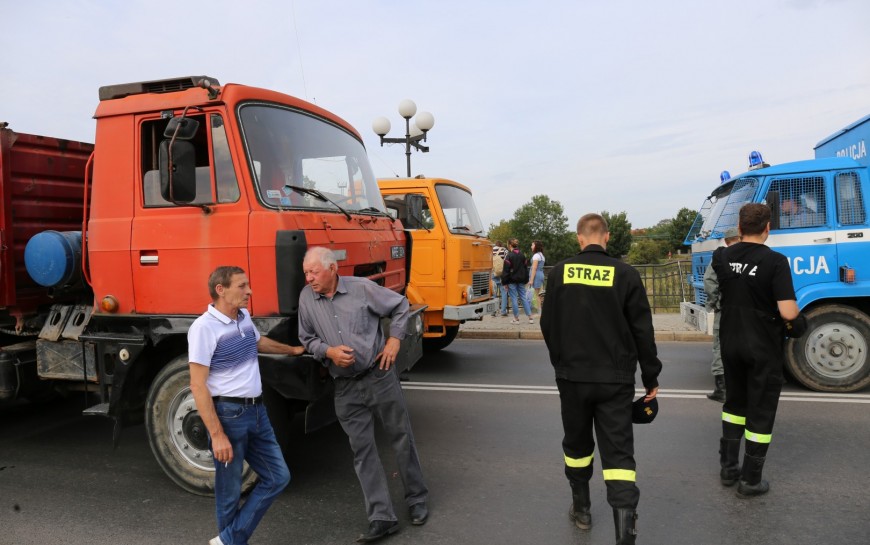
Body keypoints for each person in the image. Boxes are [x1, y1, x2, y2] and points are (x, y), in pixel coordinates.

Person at [540, 214, 662, 545]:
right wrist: (651, 377)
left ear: (580, 239)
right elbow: (643, 332)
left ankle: (581, 510)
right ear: (605, 237)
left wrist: (561, 365)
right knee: (619, 457)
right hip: (616, 381)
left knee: (577, 447)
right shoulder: (626, 273)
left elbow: (548, 324)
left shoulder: (561, 273)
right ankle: (626, 537)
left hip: (573, 378)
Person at [298, 247, 429, 543]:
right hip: (344, 387)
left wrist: (395, 340)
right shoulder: (307, 298)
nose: (309, 279)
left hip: (378, 376)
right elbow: (306, 338)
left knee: (401, 437)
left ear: (332, 269)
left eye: (314, 272)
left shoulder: (361, 289)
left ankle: (417, 499)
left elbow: (400, 305)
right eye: (306, 273)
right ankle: (382, 517)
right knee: (362, 450)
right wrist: (328, 351)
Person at [188, 266, 303, 545]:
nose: (249, 291)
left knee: (278, 477)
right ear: (221, 290)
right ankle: (232, 541)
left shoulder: (243, 317)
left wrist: (292, 350)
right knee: (229, 493)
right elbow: (198, 385)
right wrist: (216, 435)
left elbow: (258, 342)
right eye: (242, 286)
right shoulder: (203, 328)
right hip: (229, 415)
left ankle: (229, 540)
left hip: (258, 412)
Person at [711, 203, 804, 498]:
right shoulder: (775, 261)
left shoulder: (722, 256)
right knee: (760, 411)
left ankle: (728, 468)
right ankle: (750, 480)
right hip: (761, 345)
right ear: (768, 228)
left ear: (739, 228)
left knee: (734, 405)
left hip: (730, 342)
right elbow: (788, 312)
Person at [702, 227, 740, 402]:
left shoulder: (721, 257)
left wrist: (714, 302)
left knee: (720, 346)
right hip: (748, 310)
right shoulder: (750, 256)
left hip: (725, 310)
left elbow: (709, 281)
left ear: (726, 241)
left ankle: (722, 389)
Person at [501, 238, 533, 324]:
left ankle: (516, 319)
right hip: (521, 280)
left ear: (510, 245)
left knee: (514, 298)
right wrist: (526, 279)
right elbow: (526, 268)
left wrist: (505, 282)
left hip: (512, 280)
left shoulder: (509, 256)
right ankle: (530, 317)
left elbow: (506, 270)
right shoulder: (522, 255)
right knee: (523, 297)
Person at [527, 240, 545, 313]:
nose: (531, 246)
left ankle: (540, 312)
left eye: (532, 245)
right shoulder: (541, 255)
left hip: (536, 275)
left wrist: (531, 280)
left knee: (537, 294)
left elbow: (534, 268)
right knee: (539, 294)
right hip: (540, 274)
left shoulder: (536, 256)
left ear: (536, 246)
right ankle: (540, 311)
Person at [492, 240, 509, 317]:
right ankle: (503, 311)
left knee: (494, 292)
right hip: (502, 273)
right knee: (504, 292)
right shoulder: (504, 250)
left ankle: (493, 311)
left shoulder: (491, 250)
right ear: (501, 244)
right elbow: (507, 261)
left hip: (493, 272)